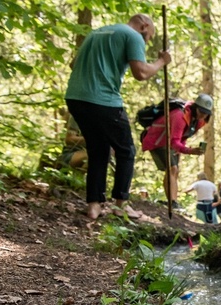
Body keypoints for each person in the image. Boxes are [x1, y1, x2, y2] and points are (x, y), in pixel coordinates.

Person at [65, 13, 170, 220]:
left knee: (98, 150)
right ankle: (121, 205)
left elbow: (73, 64)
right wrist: (161, 61)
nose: (146, 41)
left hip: (76, 98)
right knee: (126, 150)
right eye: (148, 36)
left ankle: (94, 206)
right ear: (143, 25)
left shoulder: (96, 33)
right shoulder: (132, 36)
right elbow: (140, 73)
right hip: (103, 100)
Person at [140, 94, 212, 209]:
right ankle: (173, 202)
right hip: (157, 140)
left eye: (206, 113)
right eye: (201, 111)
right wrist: (189, 150)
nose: (203, 115)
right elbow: (174, 141)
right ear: (195, 107)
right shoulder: (180, 115)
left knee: (174, 171)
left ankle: (171, 202)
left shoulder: (199, 121)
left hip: (170, 143)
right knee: (172, 169)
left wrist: (182, 148)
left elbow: (184, 135)